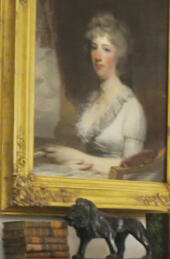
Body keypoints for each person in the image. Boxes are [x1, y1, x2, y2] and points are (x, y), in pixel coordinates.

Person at [34, 11, 150, 176]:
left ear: (119, 55)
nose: (98, 56)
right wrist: (70, 161)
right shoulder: (91, 100)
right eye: (94, 48)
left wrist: (77, 157)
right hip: (85, 174)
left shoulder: (130, 107)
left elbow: (131, 168)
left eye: (106, 49)